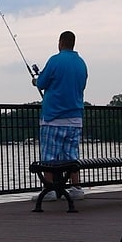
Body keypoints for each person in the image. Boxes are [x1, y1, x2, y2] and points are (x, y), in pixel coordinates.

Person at [32, 30, 88, 199]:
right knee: (72, 156)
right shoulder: (81, 63)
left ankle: (49, 189)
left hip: (53, 117)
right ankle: (76, 188)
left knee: (49, 156)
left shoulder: (55, 60)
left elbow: (41, 83)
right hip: (75, 117)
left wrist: (36, 80)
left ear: (61, 42)